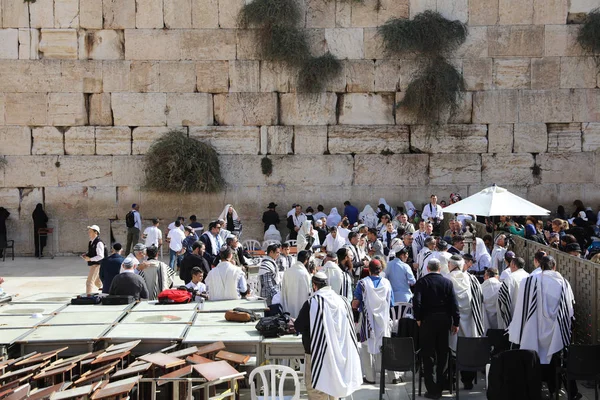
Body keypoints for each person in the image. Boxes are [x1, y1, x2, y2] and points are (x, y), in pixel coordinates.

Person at [508, 255, 578, 399]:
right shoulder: (563, 283)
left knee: (532, 360)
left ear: (540, 267)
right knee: (555, 360)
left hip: (532, 329)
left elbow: (521, 308)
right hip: (555, 331)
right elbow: (569, 309)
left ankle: (532, 390)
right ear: (554, 267)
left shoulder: (529, 282)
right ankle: (556, 390)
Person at [294, 272, 362, 400]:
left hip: (316, 354)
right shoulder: (343, 301)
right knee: (334, 390)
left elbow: (299, 326)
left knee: (317, 392)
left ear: (314, 286)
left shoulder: (312, 302)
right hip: (338, 354)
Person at [413, 259, 460, 400]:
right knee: (443, 354)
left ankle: (431, 388)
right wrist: (455, 322)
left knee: (428, 354)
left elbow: (417, 301)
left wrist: (418, 318)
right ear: (440, 268)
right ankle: (440, 385)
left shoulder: (422, 282)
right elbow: (454, 303)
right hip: (444, 321)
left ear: (427, 268)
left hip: (427, 321)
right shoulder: (447, 282)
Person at [352, 259, 394, 384]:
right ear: (380, 270)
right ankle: (393, 376)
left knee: (366, 348)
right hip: (383, 320)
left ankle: (370, 377)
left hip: (367, 321)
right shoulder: (387, 283)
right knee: (386, 347)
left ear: (368, 270)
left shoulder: (362, 283)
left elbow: (355, 303)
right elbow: (391, 303)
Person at [446, 255, 485, 390]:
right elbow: (480, 298)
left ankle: (450, 381)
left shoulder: (446, 280)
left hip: (452, 323)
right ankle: (468, 381)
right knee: (468, 350)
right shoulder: (473, 280)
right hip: (470, 321)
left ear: (450, 265)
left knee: (451, 350)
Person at [497, 256, 530, 329]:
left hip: (513, 313)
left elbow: (502, 298)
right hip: (526, 314)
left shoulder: (510, 278)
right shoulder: (529, 276)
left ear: (513, 265)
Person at [280, 250, 312, 318]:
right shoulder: (305, 274)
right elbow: (309, 291)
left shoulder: (288, 271)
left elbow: (283, 290)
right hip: (302, 307)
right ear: (306, 260)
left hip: (289, 306)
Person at [385, 247, 416, 312]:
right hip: (405, 299)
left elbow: (385, 280)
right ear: (402, 255)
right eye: (406, 255)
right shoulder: (405, 266)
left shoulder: (388, 265)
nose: (407, 257)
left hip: (392, 298)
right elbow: (413, 281)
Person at [82, 225, 107, 294]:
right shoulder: (91, 242)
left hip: (97, 264)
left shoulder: (99, 243)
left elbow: (101, 256)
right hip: (93, 263)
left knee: (89, 282)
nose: (88, 232)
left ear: (95, 232)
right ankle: (107, 291)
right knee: (97, 282)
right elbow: (92, 252)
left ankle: (88, 297)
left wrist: (90, 259)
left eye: (90, 231)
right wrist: (86, 255)